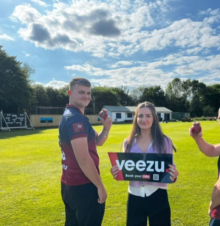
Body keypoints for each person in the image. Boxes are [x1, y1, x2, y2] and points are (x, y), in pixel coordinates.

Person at [111, 101, 179, 226]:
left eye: (148, 115)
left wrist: (174, 176)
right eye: (140, 115)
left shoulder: (165, 141)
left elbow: (170, 171)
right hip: (134, 196)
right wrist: (117, 172)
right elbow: (125, 170)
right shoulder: (128, 142)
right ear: (136, 118)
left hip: (158, 196)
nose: (144, 119)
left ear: (154, 118)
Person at [59, 77, 112, 226]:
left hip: (70, 185)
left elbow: (98, 141)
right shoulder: (76, 119)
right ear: (70, 93)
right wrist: (100, 186)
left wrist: (106, 128)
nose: (86, 96)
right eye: (81, 92)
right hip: (83, 186)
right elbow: (83, 158)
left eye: (88, 93)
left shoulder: (76, 116)